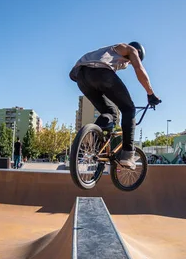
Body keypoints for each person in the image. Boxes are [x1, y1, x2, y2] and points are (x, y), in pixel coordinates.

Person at [69, 42, 161, 170]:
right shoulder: (130, 49)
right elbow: (139, 69)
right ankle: (128, 155)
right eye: (130, 62)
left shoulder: (109, 53)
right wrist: (150, 94)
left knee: (109, 112)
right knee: (128, 109)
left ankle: (96, 141)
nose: (127, 64)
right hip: (100, 72)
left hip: (81, 78)